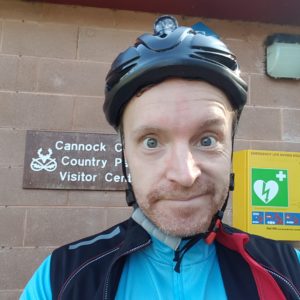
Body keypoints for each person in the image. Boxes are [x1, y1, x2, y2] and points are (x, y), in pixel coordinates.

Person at [21, 15, 300, 300]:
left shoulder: (290, 272)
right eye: (151, 142)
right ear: (125, 155)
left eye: (207, 140)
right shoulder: (60, 279)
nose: (185, 174)